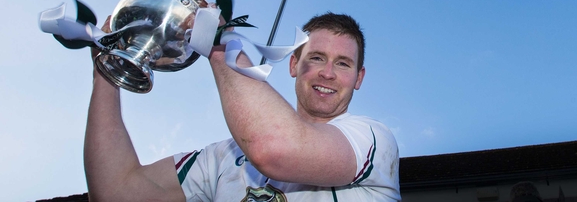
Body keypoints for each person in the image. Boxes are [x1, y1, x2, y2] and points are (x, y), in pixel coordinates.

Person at [84, 12, 400, 201]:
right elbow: (115, 192)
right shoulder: (225, 158)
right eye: (316, 57)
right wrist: (107, 71)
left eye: (343, 64)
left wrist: (222, 45)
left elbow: (274, 149)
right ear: (293, 65)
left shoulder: (372, 140)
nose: (327, 73)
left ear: (358, 78)